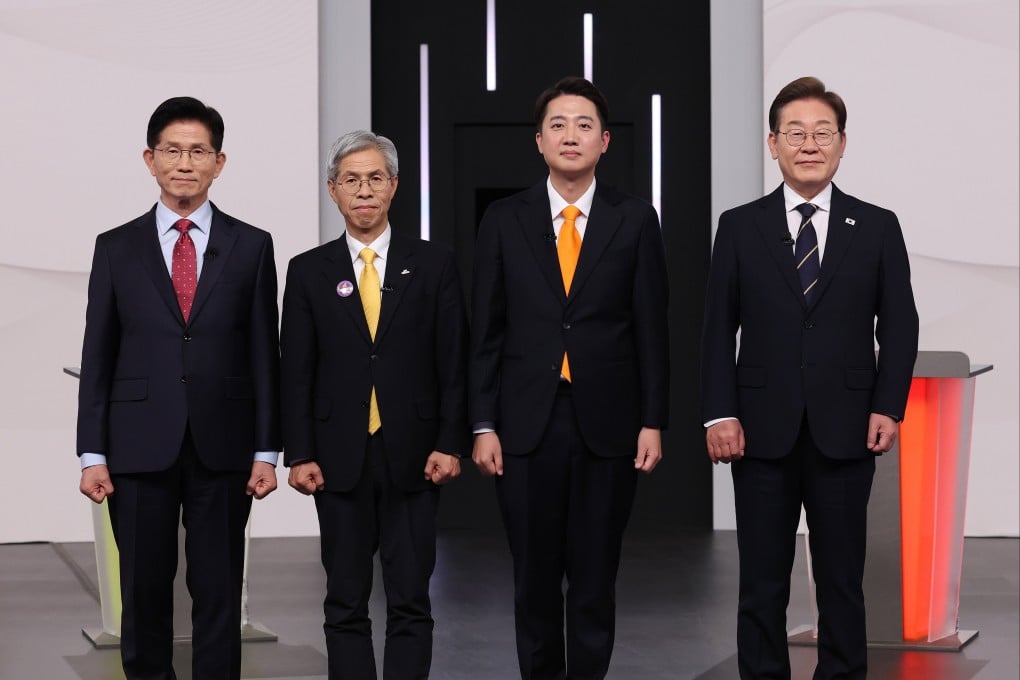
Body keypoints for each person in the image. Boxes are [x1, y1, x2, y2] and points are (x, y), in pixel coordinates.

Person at [701, 76, 919, 679]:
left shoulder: (876, 227)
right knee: (762, 583)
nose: (809, 144)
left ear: (843, 143)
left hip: (847, 429)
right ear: (773, 144)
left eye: (823, 133)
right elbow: (717, 328)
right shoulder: (740, 227)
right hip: (760, 431)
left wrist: (888, 405)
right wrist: (719, 412)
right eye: (795, 133)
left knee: (842, 581)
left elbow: (899, 326)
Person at [470, 76, 669, 679]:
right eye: (558, 124)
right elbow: (486, 331)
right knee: (532, 580)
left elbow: (652, 330)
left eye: (584, 125)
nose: (571, 135)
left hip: (607, 426)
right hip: (525, 425)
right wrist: (482, 423)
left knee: (593, 578)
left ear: (605, 141)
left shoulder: (634, 219)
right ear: (539, 141)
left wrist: (652, 420)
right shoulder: (504, 218)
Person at [76, 96, 281, 679]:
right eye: (172, 150)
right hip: (138, 444)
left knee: (218, 593)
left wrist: (267, 450)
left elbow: (266, 353)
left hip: (225, 444)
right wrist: (92, 452)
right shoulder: (115, 248)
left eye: (198, 151)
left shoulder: (252, 245)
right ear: (150, 159)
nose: (185, 162)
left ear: (220, 162)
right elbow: (99, 353)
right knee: (142, 591)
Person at [281, 130, 468, 679]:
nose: (364, 191)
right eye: (351, 181)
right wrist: (300, 452)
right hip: (336, 458)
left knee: (411, 600)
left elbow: (453, 362)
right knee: (344, 602)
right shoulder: (308, 270)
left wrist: (450, 442)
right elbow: (296, 370)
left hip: (415, 454)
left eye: (375, 179)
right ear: (333, 190)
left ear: (394, 186)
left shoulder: (434, 264)